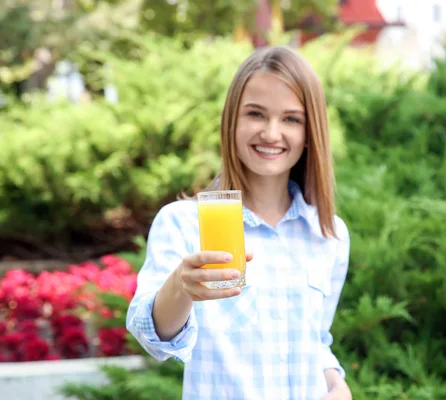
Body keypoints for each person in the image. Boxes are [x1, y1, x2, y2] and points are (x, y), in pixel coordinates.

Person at [127, 45, 352, 400]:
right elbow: (152, 335)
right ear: (231, 121)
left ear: (310, 133)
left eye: (291, 119)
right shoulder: (184, 223)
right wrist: (181, 288)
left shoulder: (329, 234)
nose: (271, 133)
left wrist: (336, 383)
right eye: (256, 114)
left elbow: (316, 341)